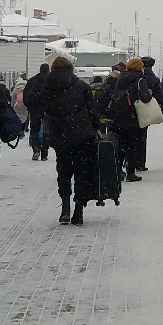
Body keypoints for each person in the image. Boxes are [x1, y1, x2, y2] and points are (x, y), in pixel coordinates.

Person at [42, 54, 100, 222]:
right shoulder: (82, 86)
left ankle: (65, 208)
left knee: (64, 171)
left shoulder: (48, 85)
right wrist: (96, 127)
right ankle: (79, 210)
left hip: (60, 135)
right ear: (70, 68)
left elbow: (42, 106)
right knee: (82, 172)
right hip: (82, 135)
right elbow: (92, 110)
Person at [105, 58, 154, 182]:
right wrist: (149, 93)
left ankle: (118, 171)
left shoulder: (120, 79)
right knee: (133, 146)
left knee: (121, 146)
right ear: (138, 68)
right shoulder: (139, 80)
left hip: (119, 118)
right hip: (133, 118)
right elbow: (145, 98)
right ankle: (131, 172)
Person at [136, 56, 163, 172]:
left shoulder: (137, 77)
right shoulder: (154, 79)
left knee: (132, 137)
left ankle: (131, 161)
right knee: (142, 137)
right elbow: (159, 97)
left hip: (133, 109)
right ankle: (141, 163)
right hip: (146, 110)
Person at [23, 61, 51, 161]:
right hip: (48, 110)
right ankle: (45, 152)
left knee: (34, 130)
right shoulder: (51, 81)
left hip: (34, 110)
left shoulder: (32, 81)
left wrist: (30, 107)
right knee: (46, 131)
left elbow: (26, 96)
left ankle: (36, 149)